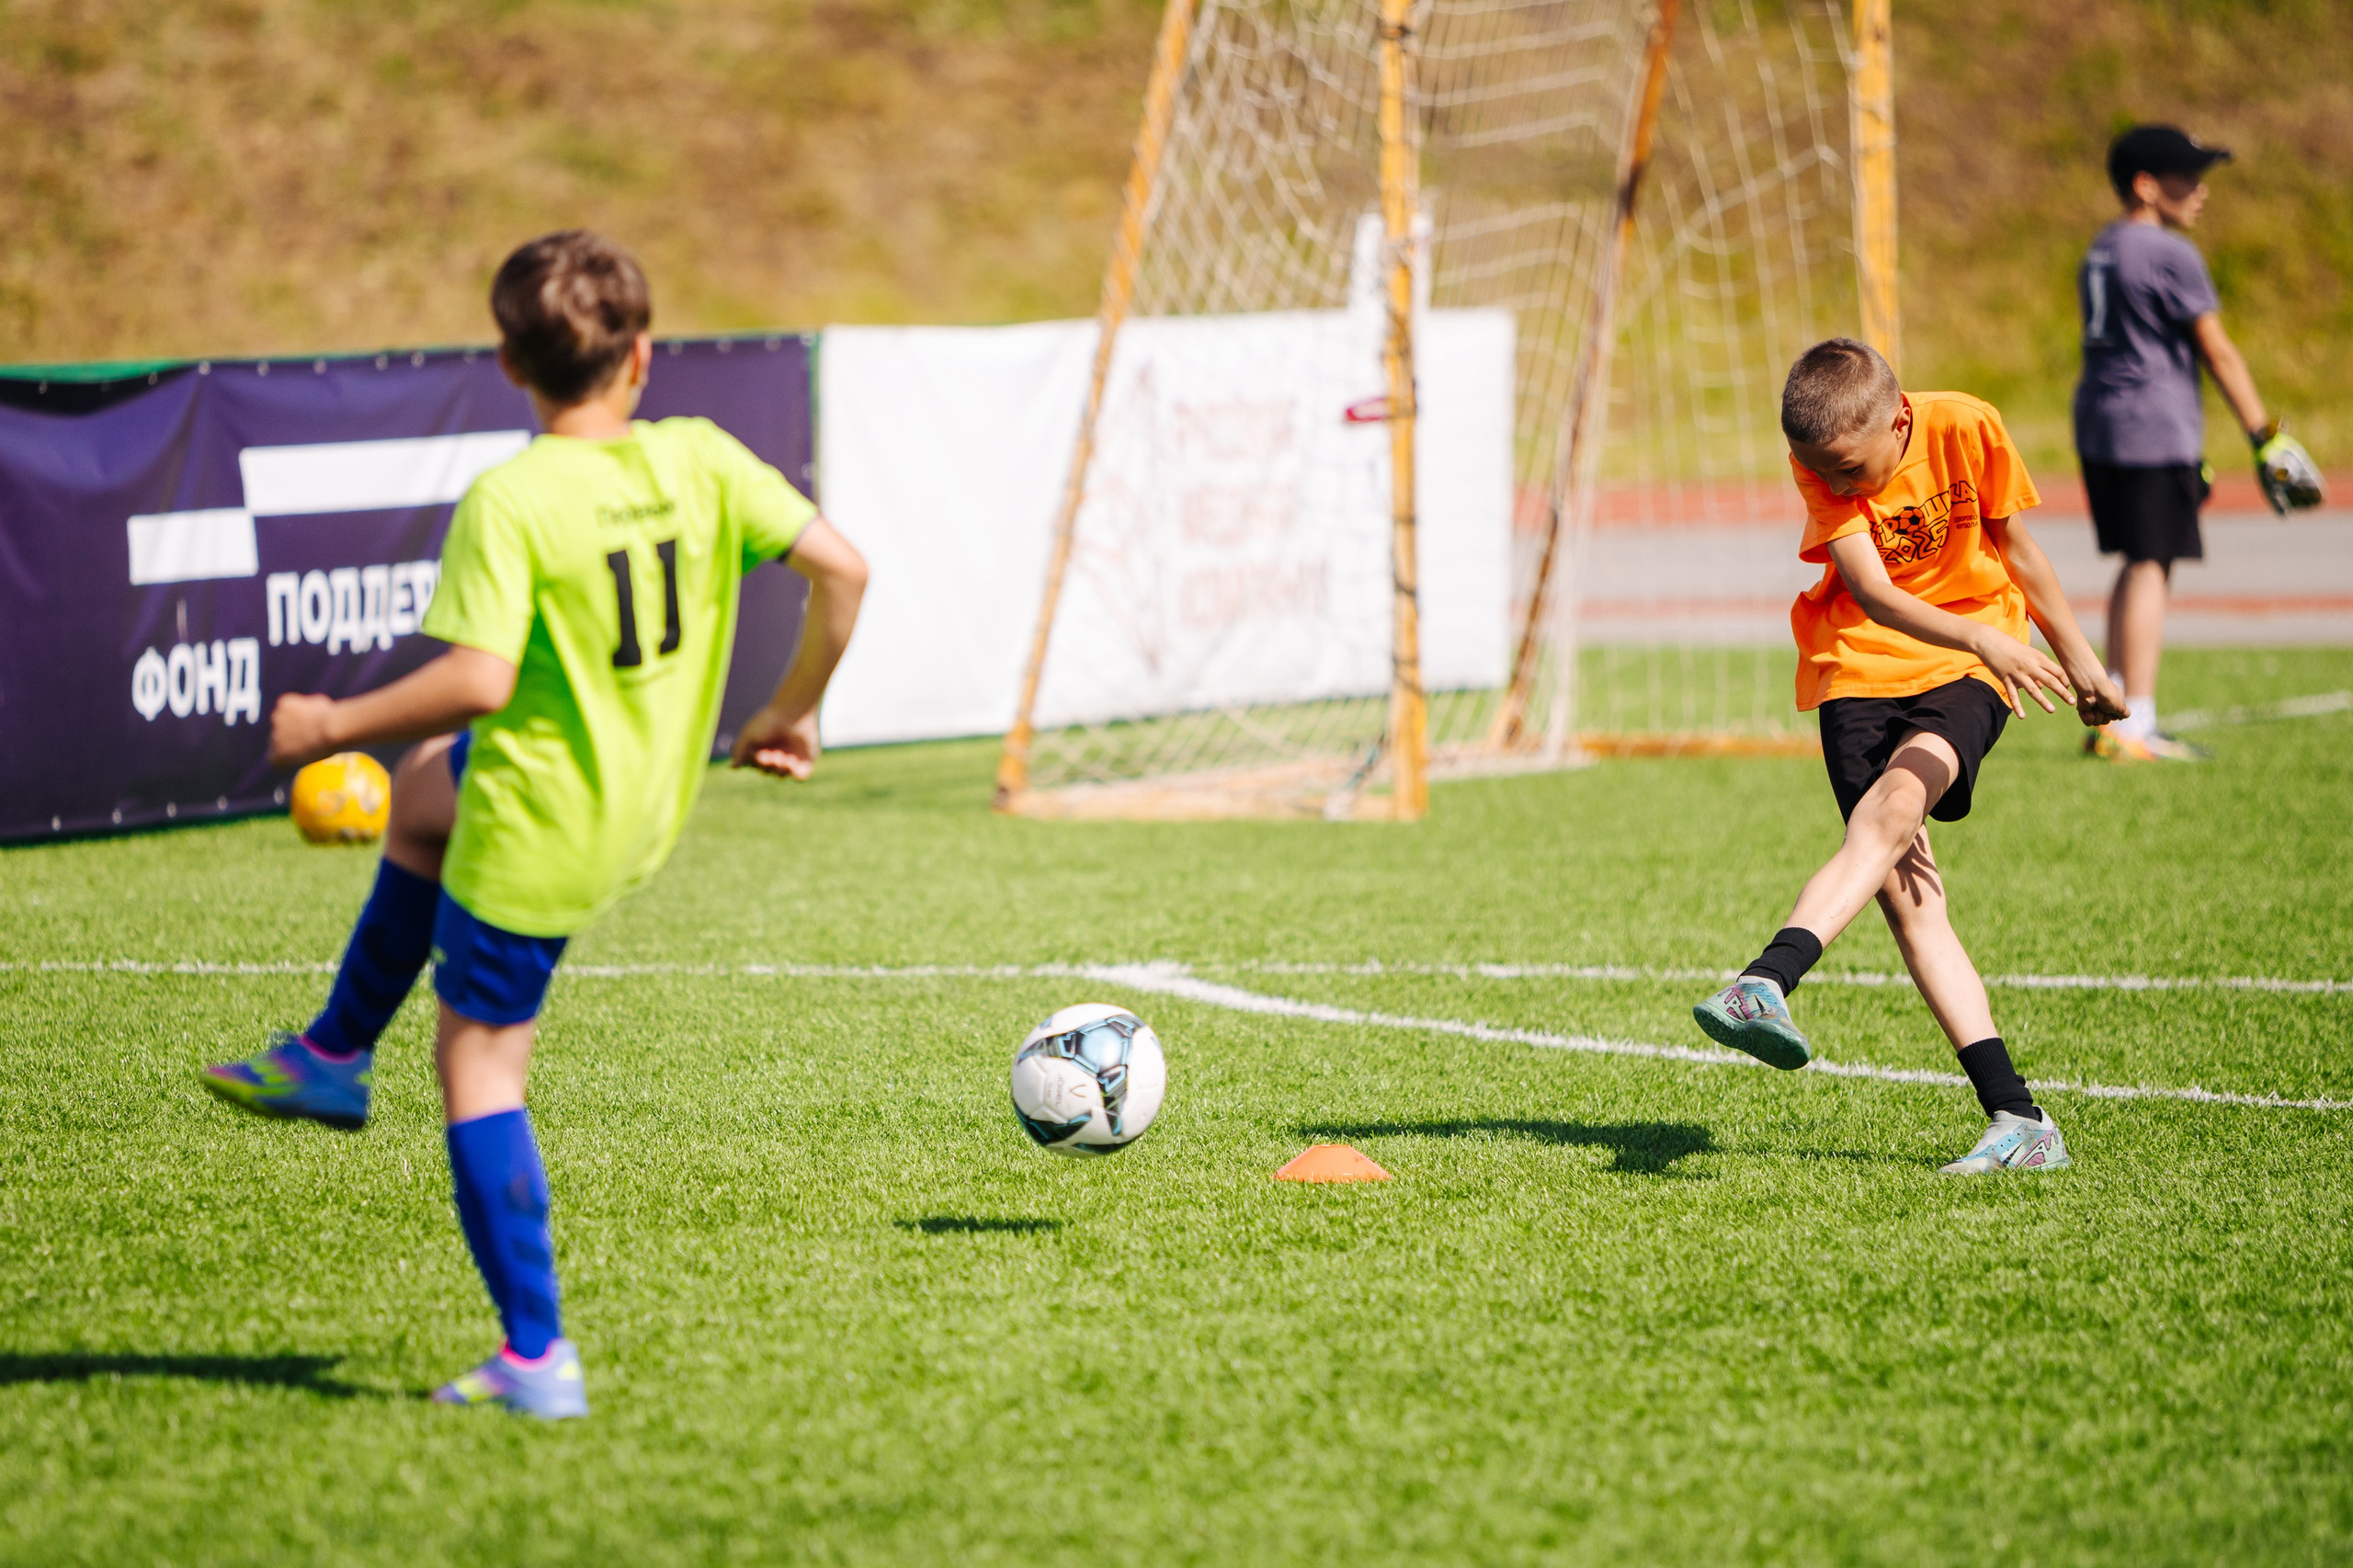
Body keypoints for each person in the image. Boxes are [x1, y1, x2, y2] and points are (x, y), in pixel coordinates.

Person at [199, 230, 869, 1418]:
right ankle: (334, 1056)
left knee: (481, 1067)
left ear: (509, 364)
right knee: (418, 793)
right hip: (641, 802)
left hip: (542, 829)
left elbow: (481, 679)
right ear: (643, 358)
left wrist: (327, 722)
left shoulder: (512, 497)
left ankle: (534, 1355)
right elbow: (846, 570)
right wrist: (791, 712)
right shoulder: (703, 456)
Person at [1691, 339, 2126, 1175]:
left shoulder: (1968, 425)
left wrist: (2081, 664)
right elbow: (1873, 594)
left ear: (1898, 420)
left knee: (1893, 808)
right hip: (1855, 667)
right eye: (1824, 472)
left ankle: (1766, 980)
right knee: (1911, 901)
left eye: (1854, 469)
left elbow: (2021, 552)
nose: (1840, 485)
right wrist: (1978, 635)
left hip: (1970, 664)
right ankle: (2021, 1120)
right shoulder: (1819, 459)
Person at [2073, 124, 2319, 762]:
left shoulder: (2103, 247)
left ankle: (2116, 706)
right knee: (2154, 563)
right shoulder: (2169, 254)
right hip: (2152, 425)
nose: (2202, 190)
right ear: (2147, 186)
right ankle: (2137, 724)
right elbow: (2217, 348)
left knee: (2135, 560)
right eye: (2188, 177)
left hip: (2099, 420)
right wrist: (2265, 435)